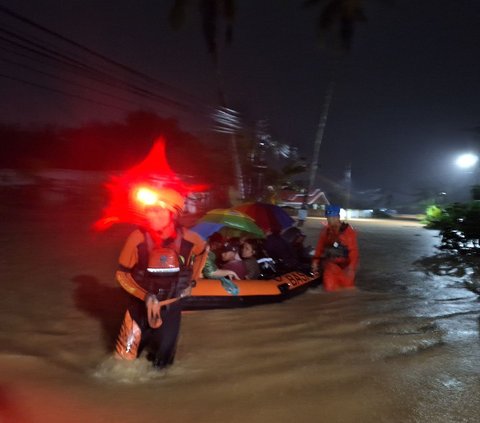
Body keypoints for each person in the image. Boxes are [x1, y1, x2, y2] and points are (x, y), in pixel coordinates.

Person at [114, 184, 207, 369]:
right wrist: (145, 296)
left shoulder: (191, 239)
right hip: (139, 307)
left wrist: (193, 281)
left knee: (162, 367)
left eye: (158, 211)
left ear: (173, 214)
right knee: (121, 365)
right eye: (149, 211)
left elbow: (203, 252)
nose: (151, 215)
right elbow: (121, 275)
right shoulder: (137, 237)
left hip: (171, 306)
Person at [311, 204, 359, 291]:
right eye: (328, 218)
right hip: (331, 265)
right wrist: (315, 262)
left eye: (332, 218)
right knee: (329, 289)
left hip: (345, 267)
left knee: (348, 290)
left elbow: (353, 252)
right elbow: (319, 248)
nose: (330, 220)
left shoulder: (348, 232)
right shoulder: (325, 232)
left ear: (338, 217)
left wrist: (351, 268)